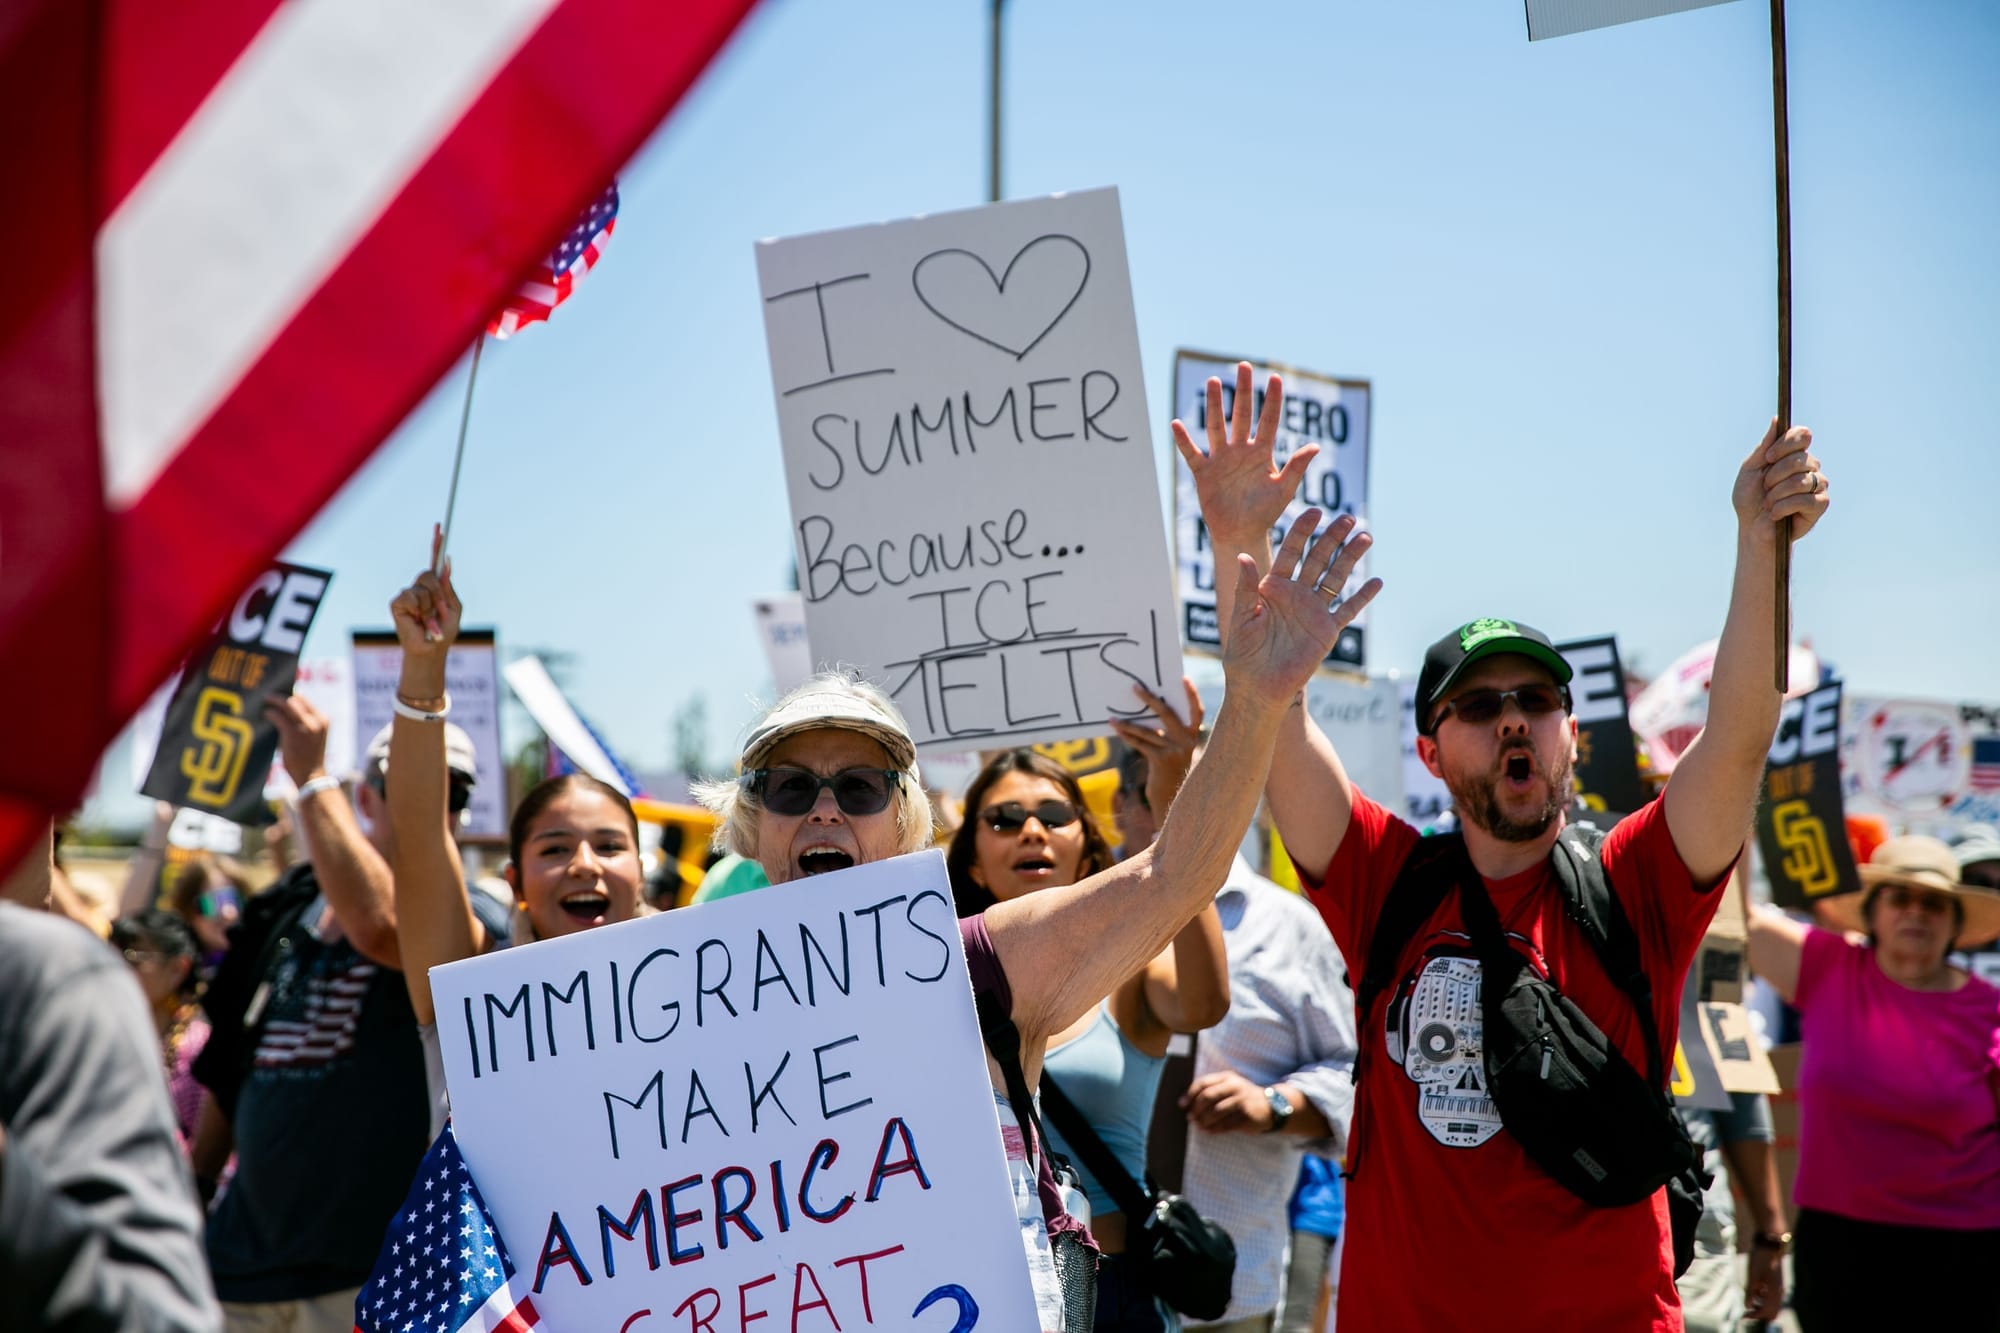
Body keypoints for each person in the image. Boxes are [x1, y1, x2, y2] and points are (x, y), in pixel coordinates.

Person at [1181, 360, 1831, 1331]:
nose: (1513, 721)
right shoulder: (1381, 879)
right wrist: (1239, 541)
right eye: (1480, 707)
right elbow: (1275, 719)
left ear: (1570, 730)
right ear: (1429, 750)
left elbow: (1735, 733)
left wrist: (1757, 543)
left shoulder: (1635, 881)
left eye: (1536, 700)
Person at [688, 500, 1377, 1331]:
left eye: (860, 788)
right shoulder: (672, 1010)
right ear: (753, 826)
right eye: (792, 787)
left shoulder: (981, 964)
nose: (825, 809)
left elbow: (1172, 876)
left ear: (904, 825)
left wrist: (1257, 702)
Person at [192, 684, 461, 1331]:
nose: (429, 797)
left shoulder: (467, 919)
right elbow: (233, 1062)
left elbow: (385, 926)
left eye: (454, 787)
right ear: (364, 795)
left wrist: (310, 777)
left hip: (363, 1277)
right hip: (235, 1267)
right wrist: (191, 1192)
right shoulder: (285, 904)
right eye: (404, 781)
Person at [947, 730, 1231, 1333]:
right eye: (1004, 819)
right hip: (982, 1294)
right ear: (971, 857)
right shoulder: (932, 987)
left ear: (1086, 845)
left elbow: (1204, 1005)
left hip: (1113, 1296)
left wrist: (1169, 817)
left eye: (1054, 815)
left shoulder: (1132, 976)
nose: (1032, 830)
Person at [379, 536, 632, 1136]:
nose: (584, 865)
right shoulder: (471, 992)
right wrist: (423, 668)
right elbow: (419, 838)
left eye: (610, 845)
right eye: (554, 848)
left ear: (642, 873)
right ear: (514, 881)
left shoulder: (711, 998)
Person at [1112, 726, 1357, 1333]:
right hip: (1089, 1283)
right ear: (1122, 805)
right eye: (1159, 793)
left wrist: (1272, 1104)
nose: (1181, 812)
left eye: (1200, 793)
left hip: (1228, 1285)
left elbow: (1356, 1073)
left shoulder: (1291, 929)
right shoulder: (1075, 917)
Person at [1746, 834, 2000, 1328]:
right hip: (1839, 1247)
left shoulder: (1989, 1010)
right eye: (1900, 898)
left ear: (1955, 923)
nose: (1916, 913)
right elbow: (1740, 916)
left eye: (1933, 903)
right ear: (1873, 911)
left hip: (1964, 1256)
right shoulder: (1827, 967)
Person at [0, 824, 222, 1331]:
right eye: (123, 954)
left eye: (139, 958)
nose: (126, 966)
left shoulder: (58, 988)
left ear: (178, 969)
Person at [1673, 1088, 1786, 1333]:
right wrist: (1770, 1236)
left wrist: (1771, 1237)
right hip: (1687, 1217)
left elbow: (1738, 1081)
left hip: (1687, 1220)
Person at [111, 909, 212, 1150]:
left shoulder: (198, 1047)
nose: (116, 969)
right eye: (110, 957)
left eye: (132, 958)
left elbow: (207, 1153)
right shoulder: (103, 1036)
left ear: (178, 969)